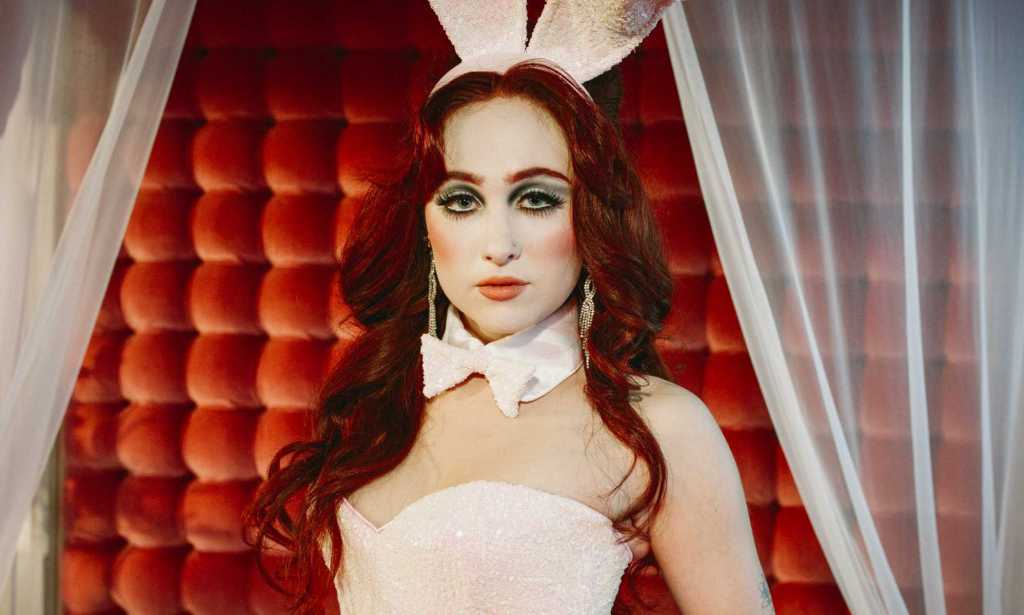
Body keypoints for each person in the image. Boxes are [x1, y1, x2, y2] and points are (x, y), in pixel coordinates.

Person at [243, 2, 773, 614]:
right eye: (462, 200)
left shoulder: (660, 427)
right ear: (425, 224)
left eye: (537, 199)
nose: (499, 245)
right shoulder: (380, 400)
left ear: (592, 218)